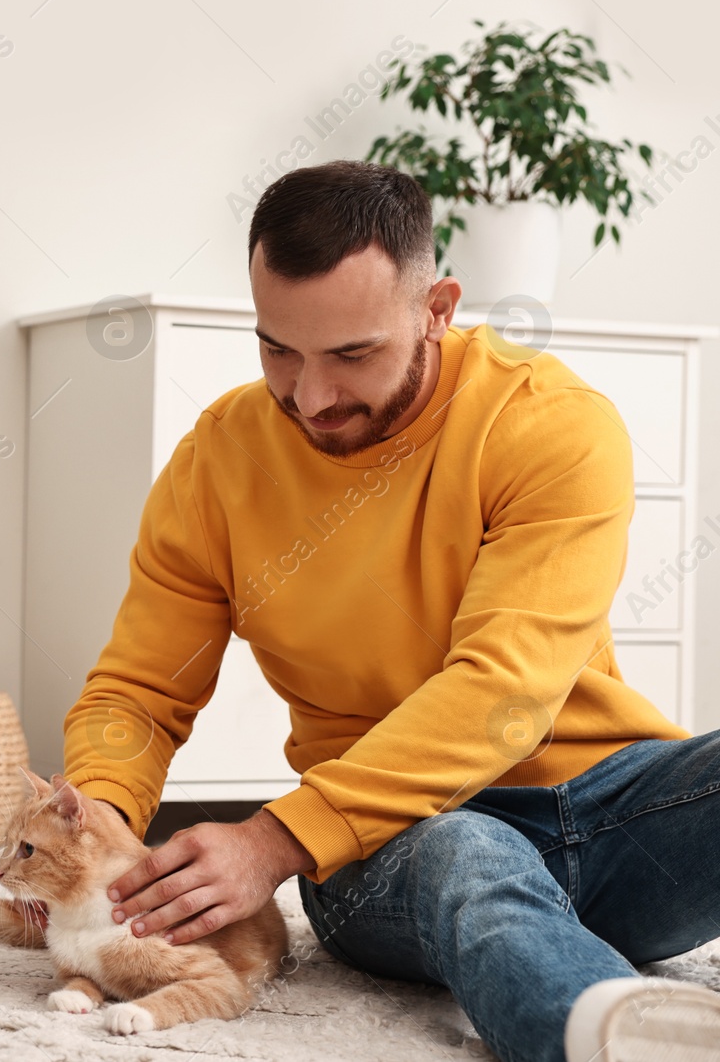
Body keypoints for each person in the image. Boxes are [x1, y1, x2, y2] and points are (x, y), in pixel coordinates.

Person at [60, 159, 720, 1062]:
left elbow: (503, 693)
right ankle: (607, 1036)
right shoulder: (217, 461)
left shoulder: (550, 423)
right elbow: (139, 690)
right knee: (465, 846)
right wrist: (91, 826)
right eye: (278, 350)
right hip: (384, 850)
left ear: (437, 308)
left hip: (606, 812)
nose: (311, 395)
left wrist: (269, 838)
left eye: (352, 354)